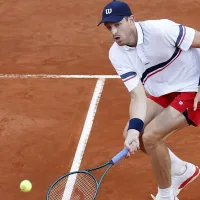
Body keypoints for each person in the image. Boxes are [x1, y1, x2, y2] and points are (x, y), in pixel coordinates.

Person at [98, 1, 200, 200]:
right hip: (163, 89)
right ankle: (180, 171)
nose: (113, 32)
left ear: (131, 20)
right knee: (132, 131)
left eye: (117, 24)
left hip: (192, 85)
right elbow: (137, 95)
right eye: (109, 27)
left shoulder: (161, 30)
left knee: (151, 137)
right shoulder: (116, 53)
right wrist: (134, 131)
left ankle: (166, 196)